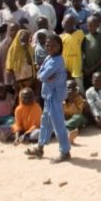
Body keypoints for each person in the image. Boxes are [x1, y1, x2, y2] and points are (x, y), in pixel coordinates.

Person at [26, 34, 72, 163]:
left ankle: (65, 151)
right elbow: (41, 74)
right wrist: (42, 74)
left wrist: (42, 75)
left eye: (53, 45)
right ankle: (40, 148)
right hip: (48, 95)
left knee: (58, 124)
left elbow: (42, 75)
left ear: (59, 47)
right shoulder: (48, 58)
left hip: (55, 96)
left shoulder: (58, 60)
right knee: (45, 122)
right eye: (47, 45)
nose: (50, 47)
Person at [5, 28, 36, 93]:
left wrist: (25, 49)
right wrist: (14, 81)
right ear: (19, 37)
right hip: (17, 79)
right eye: (23, 38)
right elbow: (10, 67)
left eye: (27, 38)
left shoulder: (29, 48)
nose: (25, 39)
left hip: (29, 78)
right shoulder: (13, 49)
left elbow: (30, 62)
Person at [60, 14, 85, 92]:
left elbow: (84, 49)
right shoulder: (60, 37)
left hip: (77, 67)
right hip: (65, 69)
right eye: (67, 22)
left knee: (80, 90)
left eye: (71, 22)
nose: (69, 24)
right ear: (62, 23)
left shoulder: (80, 34)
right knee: (65, 90)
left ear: (75, 24)